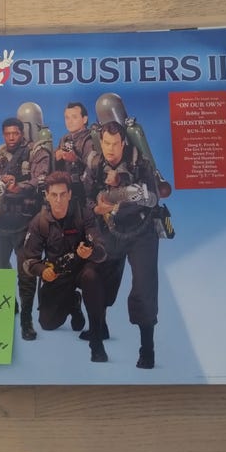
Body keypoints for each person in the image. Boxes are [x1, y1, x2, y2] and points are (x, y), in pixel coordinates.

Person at [82, 120, 160, 369]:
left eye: (115, 144)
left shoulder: (140, 164)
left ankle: (147, 349)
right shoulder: (95, 164)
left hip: (140, 231)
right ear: (101, 142)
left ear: (123, 143)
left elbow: (153, 198)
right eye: (106, 143)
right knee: (94, 279)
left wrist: (121, 193)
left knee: (144, 289)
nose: (111, 149)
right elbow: (84, 198)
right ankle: (97, 337)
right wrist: (97, 208)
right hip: (109, 231)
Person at [21, 171, 108, 363]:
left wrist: (91, 252)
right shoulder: (39, 222)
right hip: (58, 273)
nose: (58, 200)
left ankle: (96, 342)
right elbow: (28, 261)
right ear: (47, 195)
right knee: (48, 323)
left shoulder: (84, 215)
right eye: (54, 195)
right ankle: (73, 302)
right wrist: (43, 271)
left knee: (92, 277)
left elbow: (102, 251)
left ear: (69, 194)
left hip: (82, 270)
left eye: (62, 194)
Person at [0, 117, 50, 341]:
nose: (11, 137)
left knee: (26, 272)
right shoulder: (1, 153)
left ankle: (26, 322)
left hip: (26, 221)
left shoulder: (36, 151)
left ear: (22, 133)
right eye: (7, 134)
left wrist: (18, 187)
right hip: (2, 220)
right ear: (3, 134)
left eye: (15, 133)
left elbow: (42, 179)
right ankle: (9, 303)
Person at [54, 102, 94, 205]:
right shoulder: (65, 139)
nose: (69, 121)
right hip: (66, 191)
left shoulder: (89, 141)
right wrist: (56, 158)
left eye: (74, 117)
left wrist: (75, 160)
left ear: (84, 119)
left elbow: (93, 170)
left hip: (84, 193)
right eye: (67, 118)